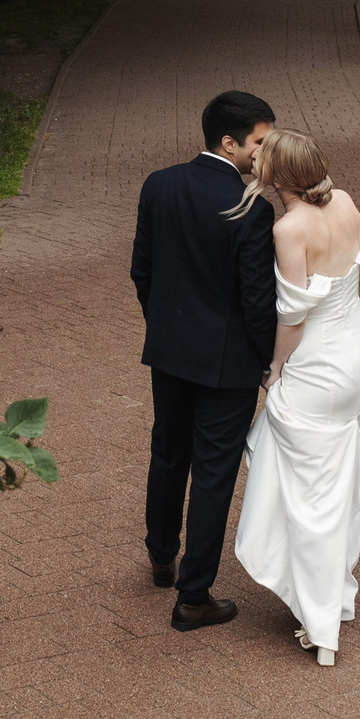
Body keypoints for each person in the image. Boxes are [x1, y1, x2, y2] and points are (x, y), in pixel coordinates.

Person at [232, 128, 360, 667]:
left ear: (277, 175)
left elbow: (295, 318)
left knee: (312, 502)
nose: (255, 160)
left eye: (263, 158)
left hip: (320, 370)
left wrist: (275, 369)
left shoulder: (289, 228)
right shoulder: (345, 202)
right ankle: (334, 601)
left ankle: (321, 623)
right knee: (339, 484)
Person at [130, 89, 278, 632]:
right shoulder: (251, 212)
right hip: (228, 364)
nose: (264, 153)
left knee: (168, 452)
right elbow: (258, 303)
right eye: (260, 143)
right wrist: (267, 363)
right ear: (228, 142)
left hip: (168, 351)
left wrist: (165, 328)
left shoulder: (159, 185)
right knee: (214, 472)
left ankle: (161, 555)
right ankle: (194, 598)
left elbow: (141, 271)